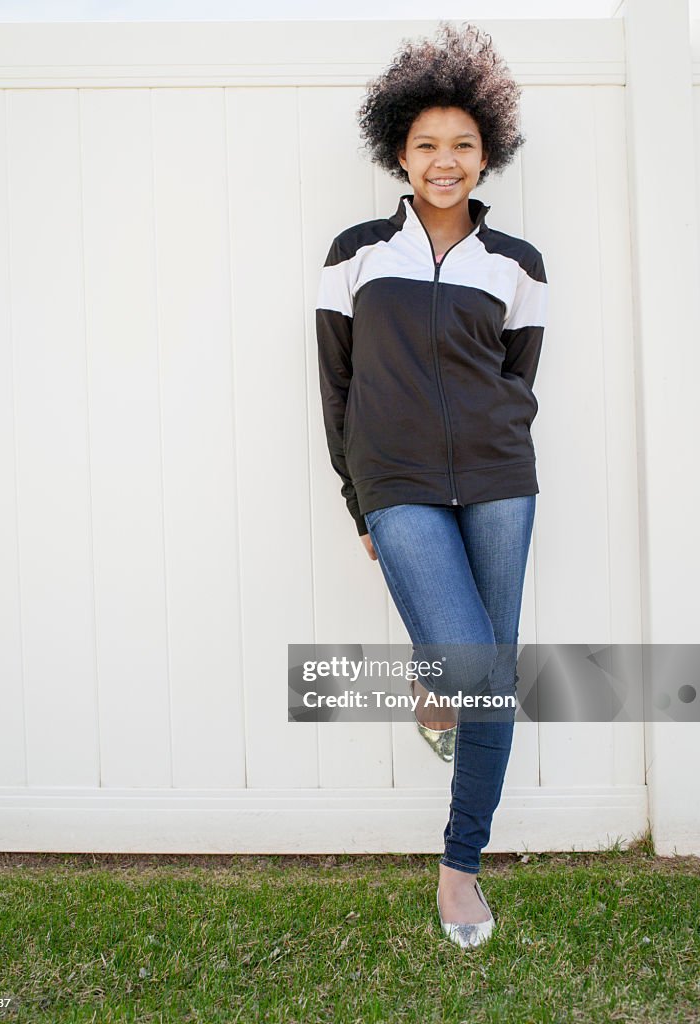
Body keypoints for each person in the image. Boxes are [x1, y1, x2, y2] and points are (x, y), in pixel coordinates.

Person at [315, 22, 548, 949]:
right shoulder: (356, 252)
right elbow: (334, 384)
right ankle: (431, 679)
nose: (443, 162)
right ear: (397, 153)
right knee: (465, 661)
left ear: (486, 153)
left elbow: (518, 382)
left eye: (462, 145)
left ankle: (460, 868)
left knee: (491, 678)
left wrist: (501, 450)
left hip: (498, 480)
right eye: (426, 146)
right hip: (396, 477)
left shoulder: (517, 264)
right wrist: (356, 497)